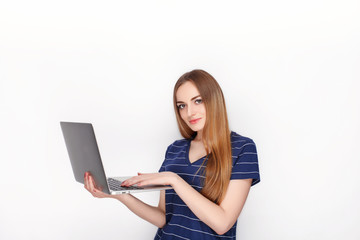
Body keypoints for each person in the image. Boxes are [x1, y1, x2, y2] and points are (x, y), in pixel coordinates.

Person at [84, 69, 260, 239]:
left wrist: (174, 180)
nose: (189, 112)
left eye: (197, 101)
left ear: (214, 100)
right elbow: (163, 218)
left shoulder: (242, 148)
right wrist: (119, 195)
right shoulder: (174, 149)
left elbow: (222, 224)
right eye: (182, 106)